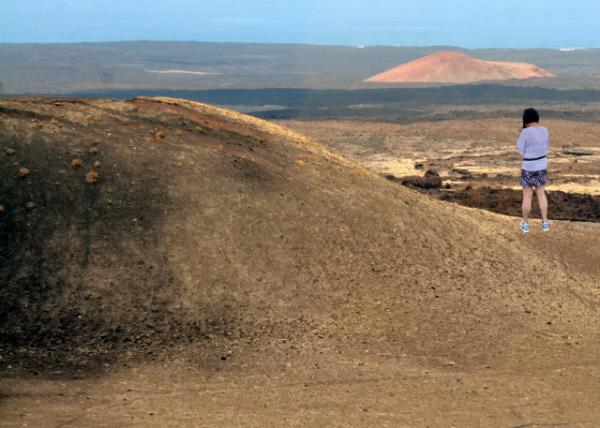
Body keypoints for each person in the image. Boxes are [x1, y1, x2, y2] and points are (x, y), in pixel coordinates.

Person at [516, 108, 550, 233]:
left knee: (527, 196)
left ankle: (525, 224)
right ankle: (545, 222)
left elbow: (520, 150)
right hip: (541, 165)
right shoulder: (545, 130)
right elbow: (546, 146)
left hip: (528, 167)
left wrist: (522, 133)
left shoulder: (525, 132)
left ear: (525, 119)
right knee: (541, 194)